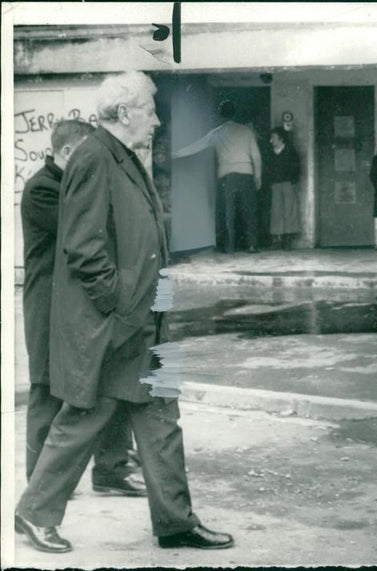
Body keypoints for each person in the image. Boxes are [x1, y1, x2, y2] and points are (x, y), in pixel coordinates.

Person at [15, 71, 233, 554]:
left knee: (161, 418)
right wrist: (118, 304)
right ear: (123, 113)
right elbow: (83, 247)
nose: (156, 121)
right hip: (119, 321)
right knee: (85, 416)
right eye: (150, 111)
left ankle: (176, 521)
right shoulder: (94, 155)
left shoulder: (125, 155)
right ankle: (34, 514)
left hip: (147, 315)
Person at [20, 119, 143, 495]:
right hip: (47, 306)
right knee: (47, 388)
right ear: (70, 153)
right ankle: (41, 484)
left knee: (108, 383)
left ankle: (111, 470)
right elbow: (89, 234)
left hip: (81, 305)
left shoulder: (75, 184)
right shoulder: (41, 189)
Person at [173, 99, 261, 253]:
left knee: (228, 213)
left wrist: (175, 154)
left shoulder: (215, 133)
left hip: (227, 177)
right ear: (235, 112)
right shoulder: (247, 132)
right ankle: (252, 245)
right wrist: (258, 176)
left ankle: (229, 247)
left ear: (220, 115)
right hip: (246, 174)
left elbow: (195, 147)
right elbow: (256, 156)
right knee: (249, 212)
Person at [266, 127, 301, 250]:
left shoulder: (291, 151)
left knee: (289, 211)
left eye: (273, 138)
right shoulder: (270, 153)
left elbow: (297, 167)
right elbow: (268, 169)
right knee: (276, 211)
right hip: (275, 184)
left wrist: (293, 181)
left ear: (281, 138)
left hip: (287, 184)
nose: (271, 141)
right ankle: (277, 239)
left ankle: (288, 240)